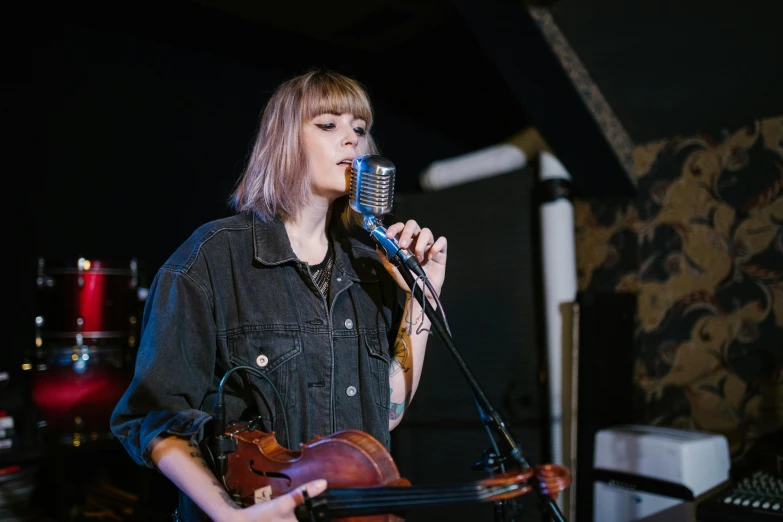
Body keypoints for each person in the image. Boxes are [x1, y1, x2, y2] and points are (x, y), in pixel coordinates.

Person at [110, 68, 447, 522]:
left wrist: (420, 297)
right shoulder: (213, 257)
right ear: (285, 140)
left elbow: (384, 415)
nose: (351, 140)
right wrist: (226, 513)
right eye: (329, 125)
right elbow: (153, 416)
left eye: (360, 129)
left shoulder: (370, 266)